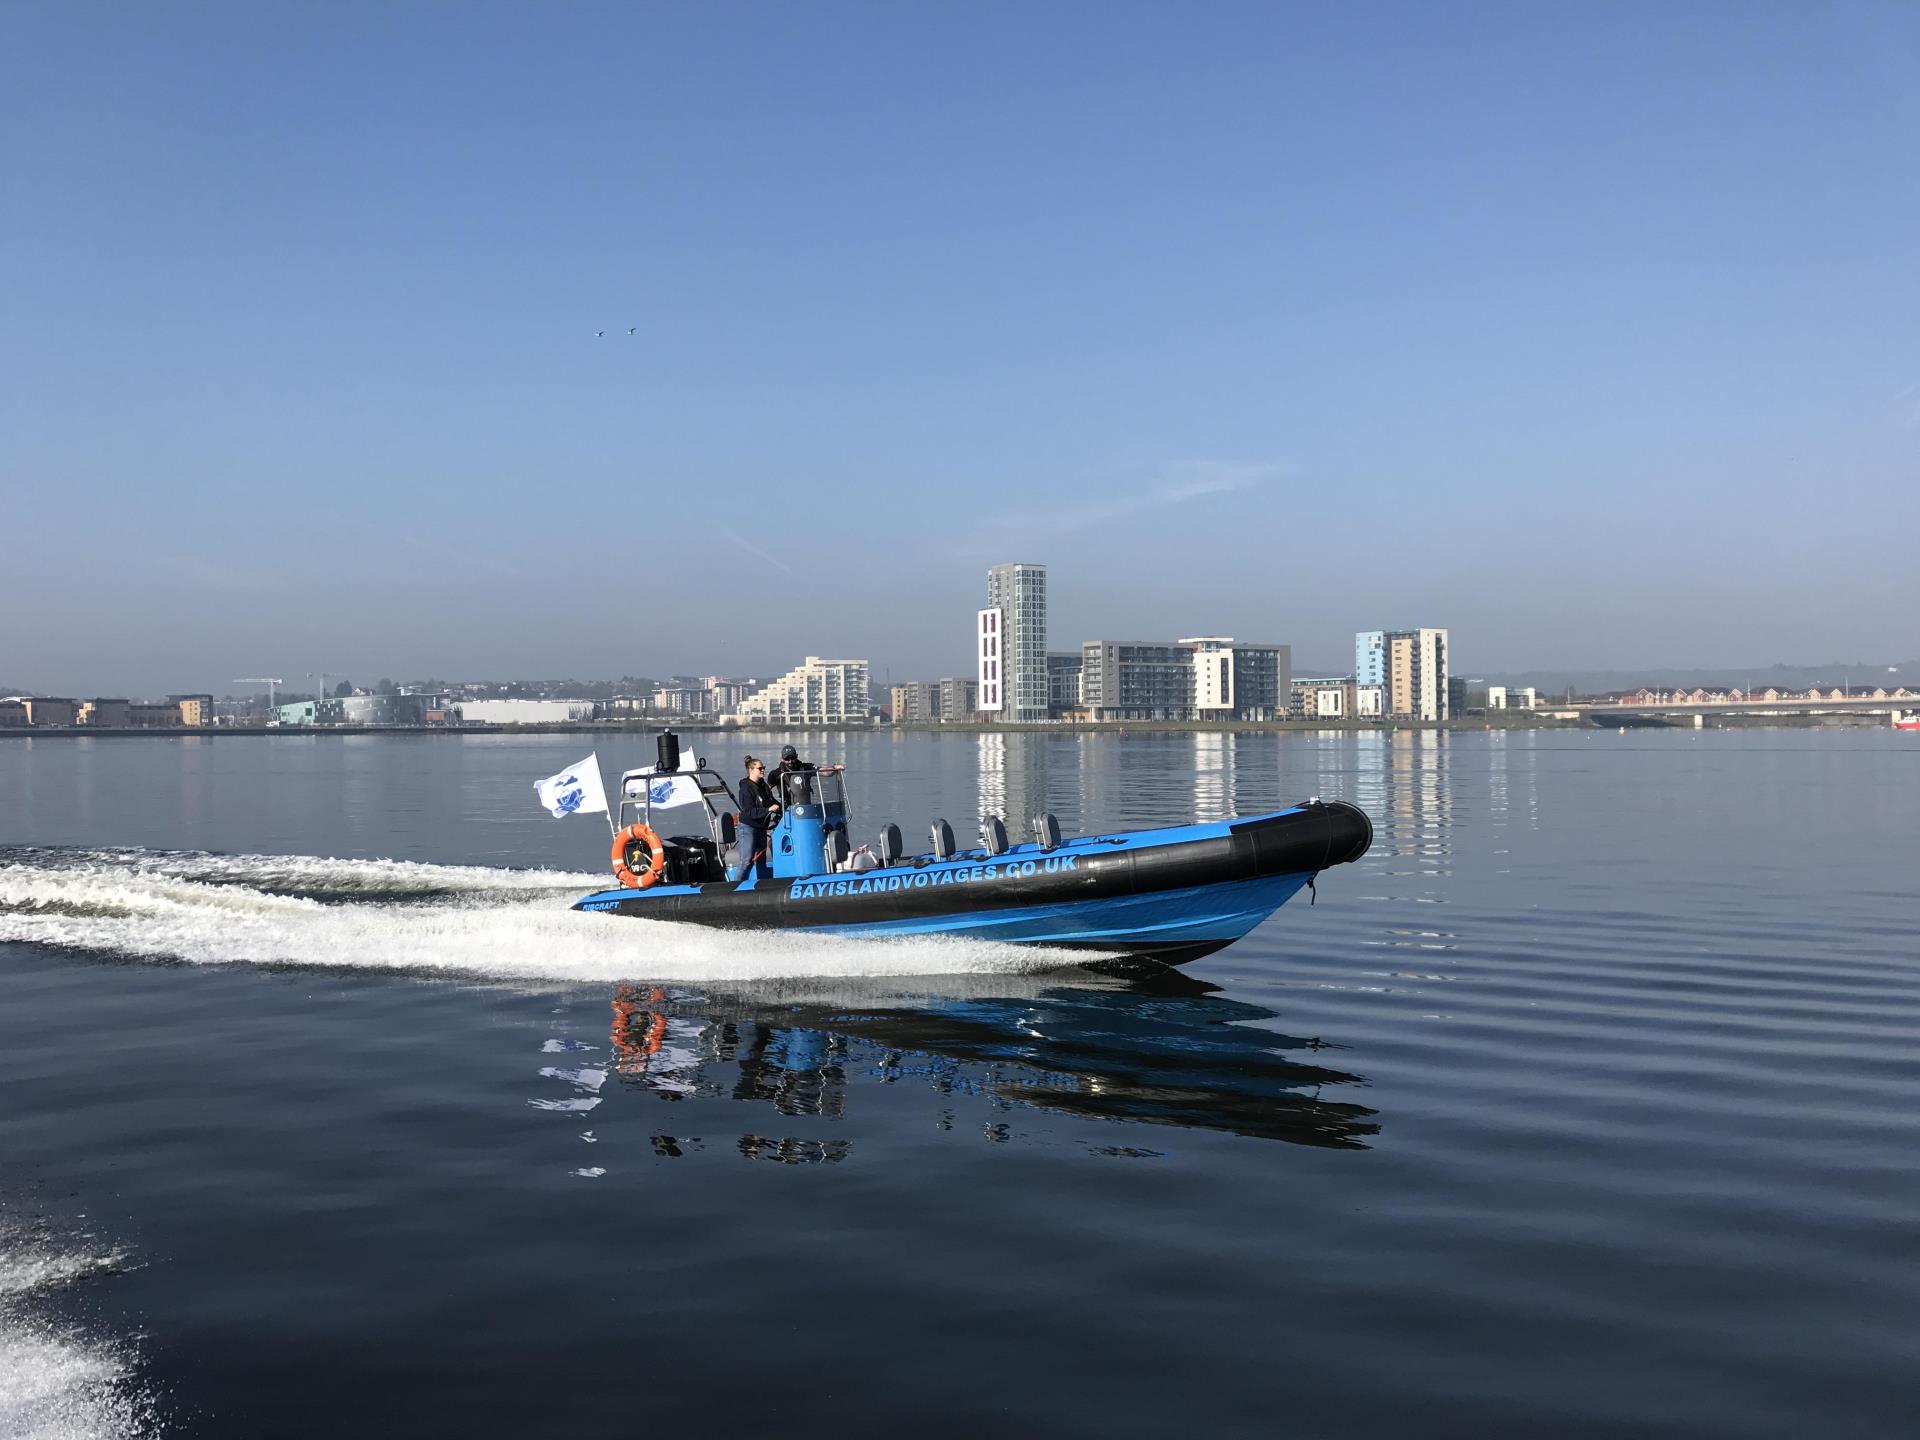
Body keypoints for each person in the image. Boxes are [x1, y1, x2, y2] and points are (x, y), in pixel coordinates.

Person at [732, 756, 779, 880]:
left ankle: (763, 886)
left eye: (763, 768)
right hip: (748, 827)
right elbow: (748, 811)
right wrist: (768, 810)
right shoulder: (746, 788)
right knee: (746, 860)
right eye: (760, 768)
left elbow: (771, 801)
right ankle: (735, 886)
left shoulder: (763, 785)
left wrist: (783, 808)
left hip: (761, 827)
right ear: (751, 770)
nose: (763, 770)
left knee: (761, 860)